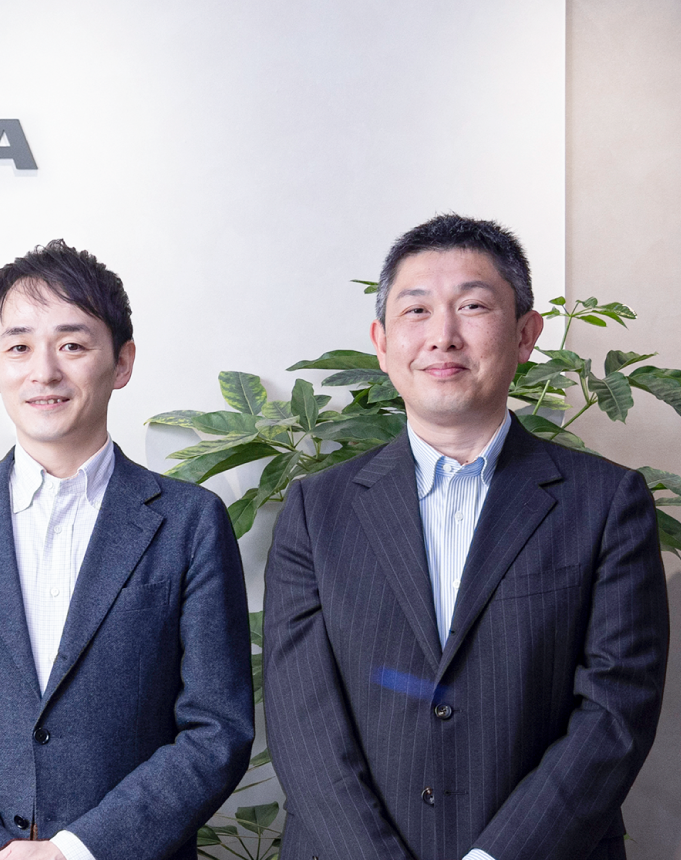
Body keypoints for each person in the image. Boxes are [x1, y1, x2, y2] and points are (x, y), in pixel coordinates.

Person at [263, 213, 669, 859]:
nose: (442, 336)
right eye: (416, 310)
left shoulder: (607, 502)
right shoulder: (317, 509)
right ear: (381, 342)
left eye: (473, 306)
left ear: (526, 334)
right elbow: (300, 717)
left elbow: (616, 710)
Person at [0, 240, 254, 860]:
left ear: (122, 362)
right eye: (18, 347)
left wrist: (76, 850)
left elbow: (216, 729)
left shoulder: (191, 522)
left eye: (72, 345)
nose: (43, 371)